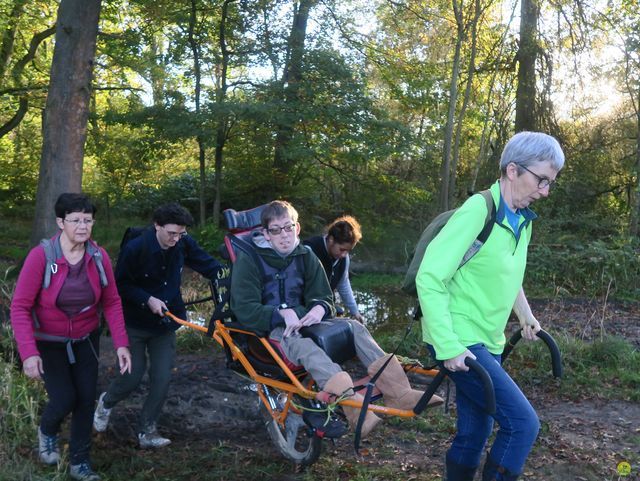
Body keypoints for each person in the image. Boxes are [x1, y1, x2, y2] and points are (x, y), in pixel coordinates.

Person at [416, 131, 565, 481]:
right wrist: (448, 345)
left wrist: (525, 314)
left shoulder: (521, 219)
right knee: (523, 425)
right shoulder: (478, 210)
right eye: (541, 180)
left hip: (488, 338)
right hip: (459, 338)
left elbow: (506, 273)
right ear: (513, 170)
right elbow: (430, 276)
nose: (544, 191)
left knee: (475, 432)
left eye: (550, 183)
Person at [230, 200, 442, 438]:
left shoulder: (306, 255)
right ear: (266, 234)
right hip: (272, 330)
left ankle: (400, 393)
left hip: (307, 321)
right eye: (276, 230)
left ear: (297, 228)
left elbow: (323, 295)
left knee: (354, 327)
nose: (284, 236)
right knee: (305, 347)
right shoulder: (250, 259)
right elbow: (244, 309)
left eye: (288, 228)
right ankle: (354, 410)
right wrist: (279, 313)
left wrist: (320, 308)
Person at [11, 193, 131, 481]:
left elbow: (112, 301)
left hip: (86, 338)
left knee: (87, 399)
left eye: (87, 220)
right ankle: (48, 430)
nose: (82, 226)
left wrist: (121, 343)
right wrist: (29, 353)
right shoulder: (42, 256)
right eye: (75, 219)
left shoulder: (98, 256)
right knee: (64, 398)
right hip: (49, 341)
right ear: (60, 222)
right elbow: (20, 306)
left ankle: (80, 462)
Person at [93, 202, 223, 448]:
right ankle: (107, 402)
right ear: (157, 226)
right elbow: (120, 285)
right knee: (132, 377)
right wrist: (147, 299)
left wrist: (231, 276)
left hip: (165, 324)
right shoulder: (136, 248)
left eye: (180, 233)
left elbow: (209, 266)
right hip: (135, 323)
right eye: (171, 233)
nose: (176, 239)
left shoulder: (183, 242)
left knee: (162, 379)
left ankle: (147, 430)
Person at [304, 215, 365, 322]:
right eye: (342, 249)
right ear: (331, 240)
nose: (344, 255)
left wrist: (355, 311)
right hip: (305, 309)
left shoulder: (344, 258)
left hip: (326, 308)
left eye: (348, 251)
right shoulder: (309, 251)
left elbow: (343, 284)